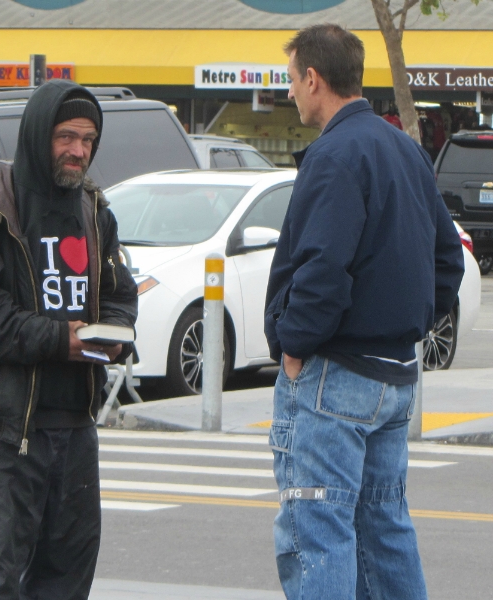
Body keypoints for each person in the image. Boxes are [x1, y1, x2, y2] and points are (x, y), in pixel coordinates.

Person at [0, 80, 138, 600]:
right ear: (40, 135)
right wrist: (60, 340)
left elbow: (119, 291)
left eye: (87, 139)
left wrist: (115, 334)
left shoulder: (92, 211)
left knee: (66, 580)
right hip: (4, 429)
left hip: (75, 427)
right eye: (66, 136)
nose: (77, 150)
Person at [264, 25, 464, 600]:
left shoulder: (334, 153)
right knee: (385, 529)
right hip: (394, 370)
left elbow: (323, 268)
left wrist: (294, 345)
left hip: (335, 372)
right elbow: (447, 257)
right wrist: (415, 324)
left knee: (317, 532)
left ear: (313, 78)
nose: (292, 95)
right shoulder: (405, 147)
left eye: (293, 81)